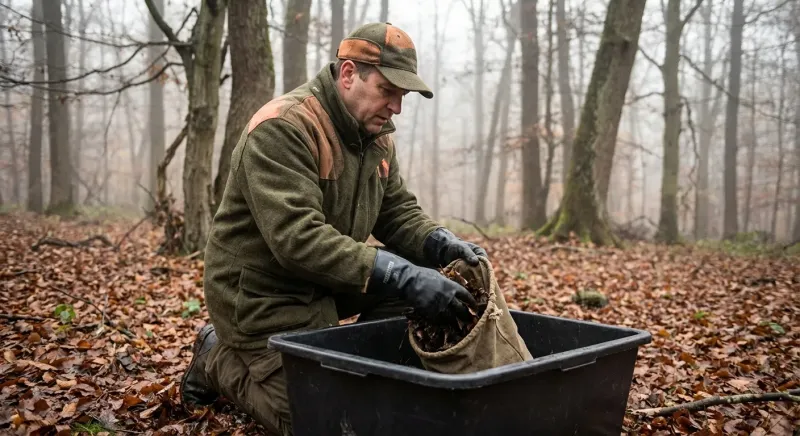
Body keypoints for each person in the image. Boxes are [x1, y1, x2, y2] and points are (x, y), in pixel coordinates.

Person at [178, 22, 487, 435]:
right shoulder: (285, 127)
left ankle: (352, 371)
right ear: (347, 75)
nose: (396, 107)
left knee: (420, 295)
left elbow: (396, 212)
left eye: (402, 96)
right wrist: (402, 274)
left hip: (326, 281)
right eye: (387, 91)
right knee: (319, 422)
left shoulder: (375, 137)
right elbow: (298, 239)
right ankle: (217, 356)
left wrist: (439, 244)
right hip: (261, 293)